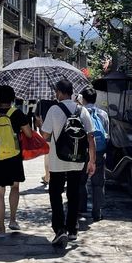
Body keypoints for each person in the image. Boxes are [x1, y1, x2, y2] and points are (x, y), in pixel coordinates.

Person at [40, 79, 96, 247]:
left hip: (57, 160)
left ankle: (59, 229)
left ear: (60, 92)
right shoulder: (82, 110)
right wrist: (92, 160)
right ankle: (72, 229)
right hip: (78, 160)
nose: (55, 95)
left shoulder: (54, 110)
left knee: (55, 194)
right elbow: (91, 136)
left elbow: (45, 136)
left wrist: (41, 125)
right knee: (74, 194)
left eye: (56, 92)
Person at [0, 85, 33, 237]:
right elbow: (29, 134)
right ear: (12, 98)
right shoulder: (17, 113)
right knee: (15, 187)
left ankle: (1, 228)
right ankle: (13, 220)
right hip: (13, 156)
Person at [78, 87, 109, 222]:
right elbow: (107, 134)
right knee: (98, 184)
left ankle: (82, 208)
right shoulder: (103, 114)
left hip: (83, 151)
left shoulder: (80, 113)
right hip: (99, 151)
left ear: (83, 99)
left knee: (81, 182)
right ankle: (97, 212)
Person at [35, 98, 56, 187]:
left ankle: (47, 177)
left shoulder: (41, 102)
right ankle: (53, 177)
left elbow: (36, 117)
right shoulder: (57, 102)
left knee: (47, 154)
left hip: (46, 130)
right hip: (57, 130)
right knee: (55, 154)